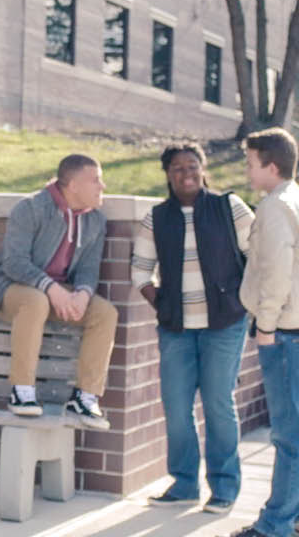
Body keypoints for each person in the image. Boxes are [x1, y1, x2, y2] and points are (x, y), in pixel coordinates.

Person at [131, 143, 254, 513]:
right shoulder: (157, 218)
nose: (185, 174)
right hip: (176, 331)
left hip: (224, 326)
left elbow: (257, 257)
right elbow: (140, 271)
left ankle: (225, 488)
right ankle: (184, 485)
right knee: (177, 405)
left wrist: (242, 302)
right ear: (167, 174)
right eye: (177, 168)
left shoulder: (229, 207)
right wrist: (165, 305)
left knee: (218, 405)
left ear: (202, 168)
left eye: (192, 166)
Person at [0, 154, 116, 428]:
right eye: (96, 180)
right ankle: (22, 392)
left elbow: (89, 270)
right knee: (36, 301)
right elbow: (14, 262)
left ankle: (85, 397)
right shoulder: (30, 208)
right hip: (13, 289)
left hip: (55, 295)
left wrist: (82, 293)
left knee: (104, 312)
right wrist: (51, 288)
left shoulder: (95, 221)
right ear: (73, 185)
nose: (102, 186)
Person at [229, 128, 299, 537]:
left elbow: (275, 274)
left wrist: (267, 327)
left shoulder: (275, 208)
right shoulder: (293, 199)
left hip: (286, 333)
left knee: (288, 435)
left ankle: (275, 525)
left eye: (251, 162)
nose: (247, 170)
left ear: (271, 166)